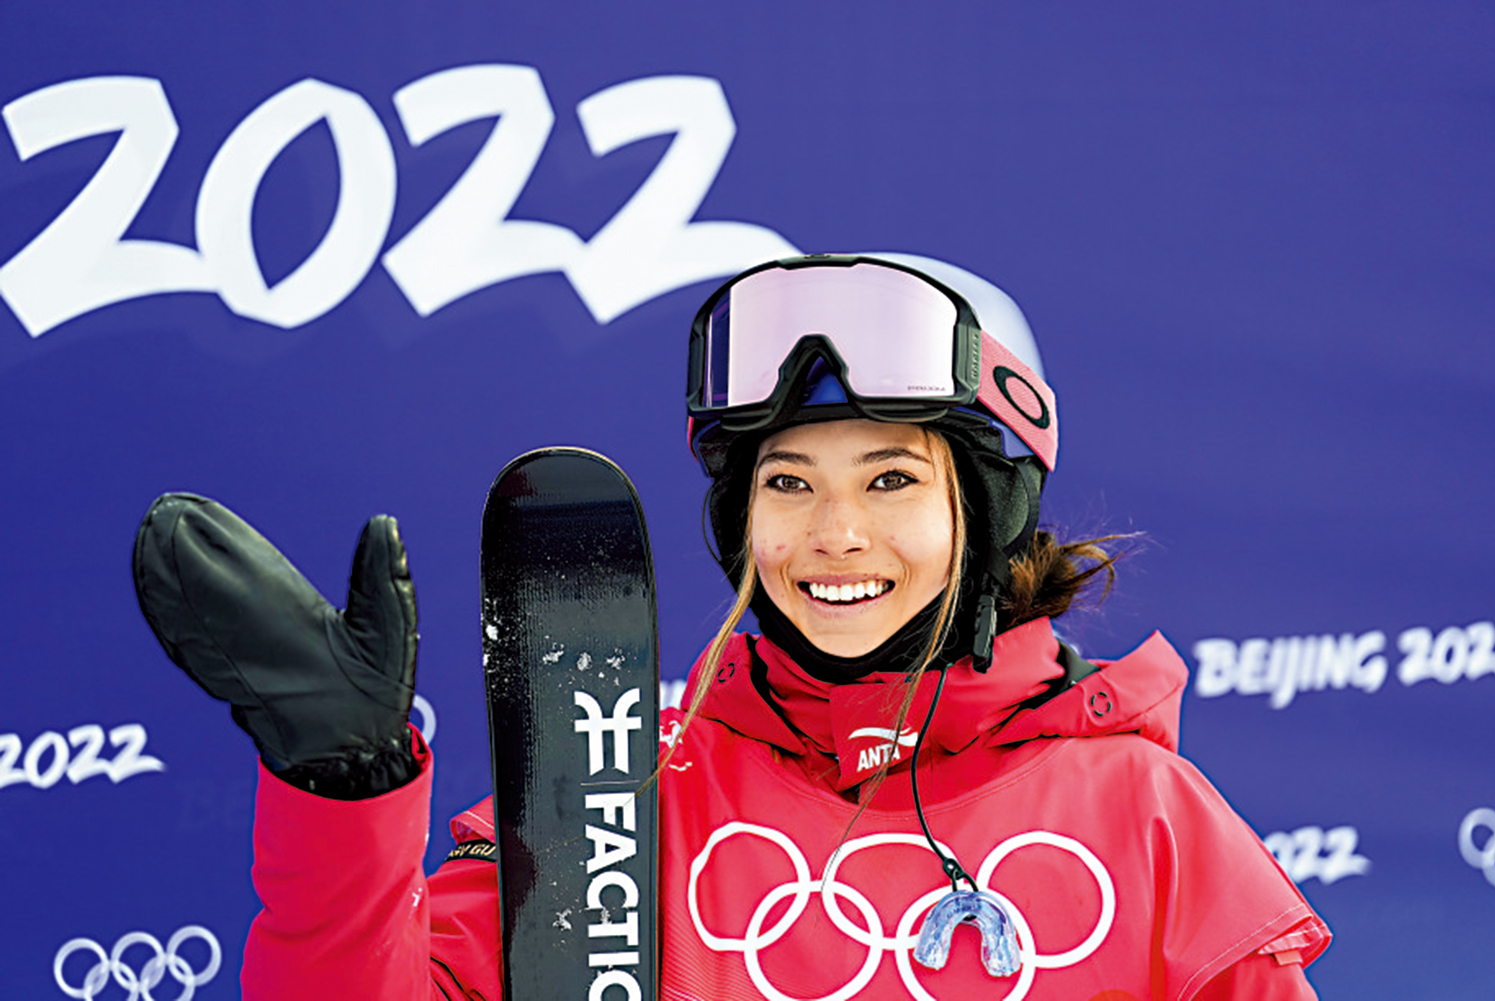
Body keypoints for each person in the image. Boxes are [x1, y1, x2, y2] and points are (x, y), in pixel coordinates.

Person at [133, 254, 1329, 999]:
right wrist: (344, 792)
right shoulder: (620, 787)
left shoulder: (1147, 818)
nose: (835, 533)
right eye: (788, 482)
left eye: (892, 479)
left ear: (992, 511)